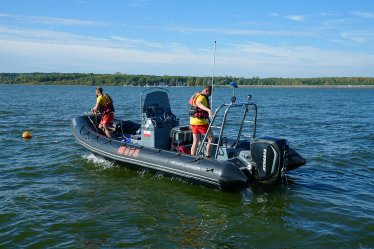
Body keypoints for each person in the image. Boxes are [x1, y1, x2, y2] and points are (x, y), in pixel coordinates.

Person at [189, 85, 214, 157]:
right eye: (210, 92)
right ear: (207, 91)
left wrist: (194, 94)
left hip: (192, 122)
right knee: (211, 138)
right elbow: (198, 103)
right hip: (200, 123)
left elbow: (190, 102)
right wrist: (208, 110)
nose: (211, 94)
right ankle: (207, 156)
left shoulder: (196, 96)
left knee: (195, 141)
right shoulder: (202, 97)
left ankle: (192, 156)